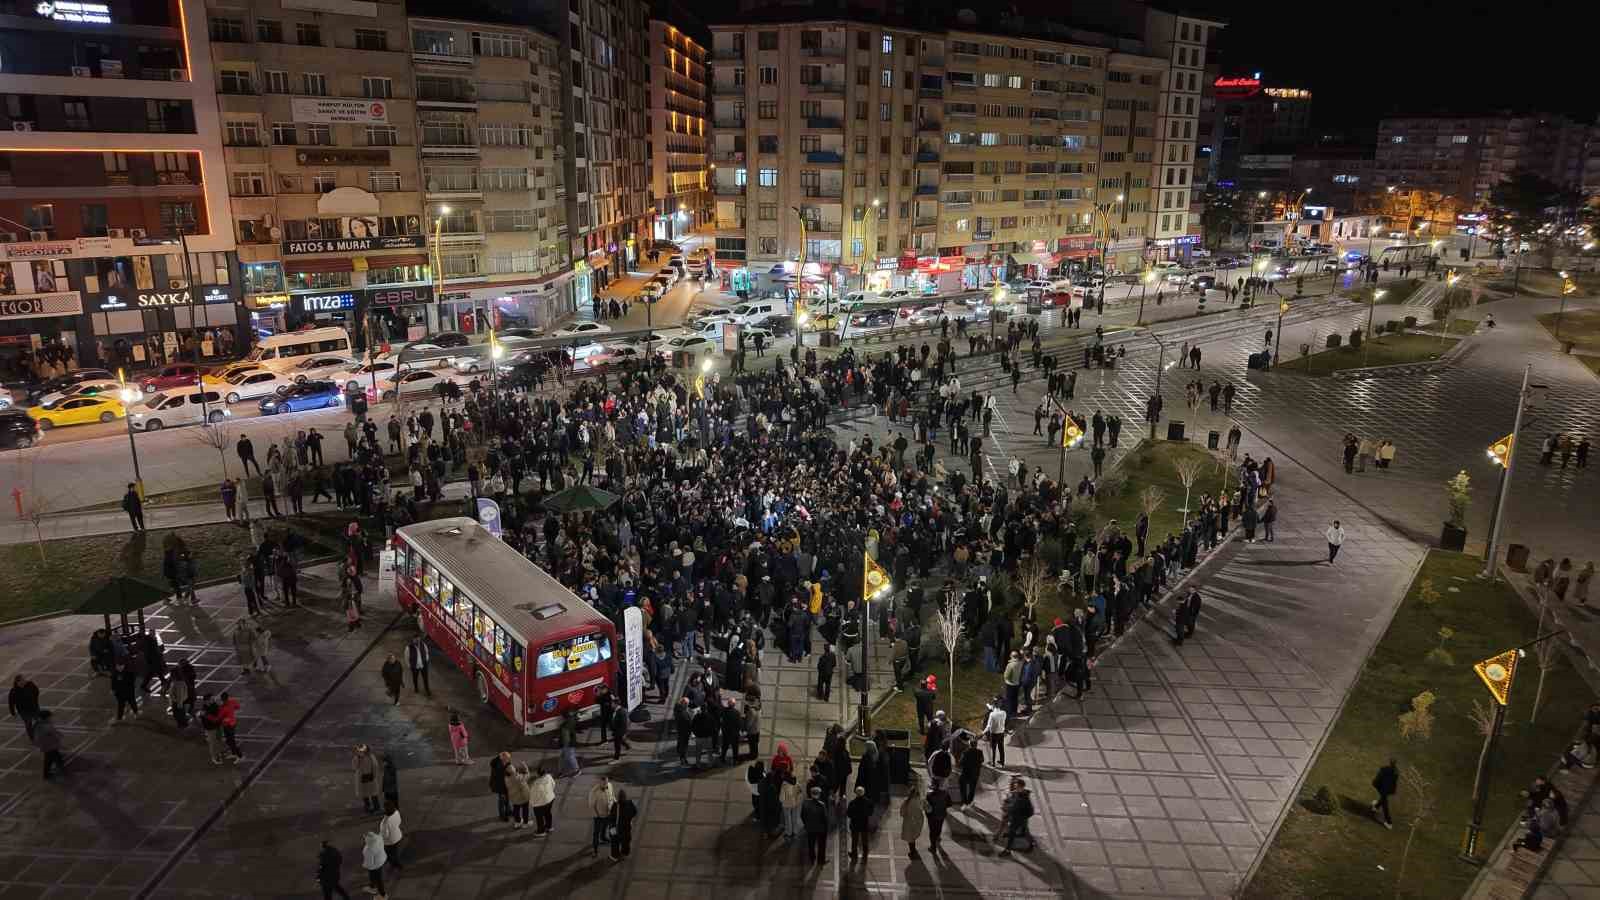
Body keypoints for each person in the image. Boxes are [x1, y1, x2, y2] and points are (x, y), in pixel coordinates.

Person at [997, 776, 1036, 856]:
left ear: (1022, 787)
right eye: (1015, 786)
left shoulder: (1024, 798)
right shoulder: (1017, 793)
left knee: (1013, 833)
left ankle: (1008, 850)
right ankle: (1031, 843)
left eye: (1017, 786)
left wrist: (1022, 816)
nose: (1015, 788)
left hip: (1019, 819)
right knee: (1024, 832)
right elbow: (1012, 803)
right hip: (1015, 817)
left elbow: (1030, 811)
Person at [588, 775, 616, 858]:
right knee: (596, 833)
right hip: (599, 816)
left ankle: (603, 837)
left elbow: (612, 796)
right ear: (599, 783)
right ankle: (595, 850)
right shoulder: (594, 792)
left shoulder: (610, 785)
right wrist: (597, 816)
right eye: (604, 783)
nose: (606, 785)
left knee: (605, 827)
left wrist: (615, 804)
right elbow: (591, 806)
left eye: (606, 782)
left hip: (609, 813)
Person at [34, 709, 65, 780]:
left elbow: (37, 738)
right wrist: (59, 738)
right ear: (46, 717)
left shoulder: (39, 725)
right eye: (50, 717)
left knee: (52, 757)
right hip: (49, 746)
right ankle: (48, 774)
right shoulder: (46, 727)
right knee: (50, 759)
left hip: (47, 746)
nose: (51, 718)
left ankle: (58, 767)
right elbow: (54, 734)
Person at [802, 787, 830, 864]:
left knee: (811, 844)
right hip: (821, 829)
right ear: (819, 794)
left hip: (810, 828)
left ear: (811, 794)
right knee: (821, 845)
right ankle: (821, 860)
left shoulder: (805, 803)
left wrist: (806, 823)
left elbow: (802, 815)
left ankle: (812, 859)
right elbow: (824, 818)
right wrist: (826, 827)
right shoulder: (822, 805)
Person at [900, 772, 925, 856]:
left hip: (909, 821)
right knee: (913, 836)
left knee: (910, 838)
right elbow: (928, 809)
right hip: (918, 820)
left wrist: (904, 815)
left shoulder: (906, 801)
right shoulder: (920, 800)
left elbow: (902, 812)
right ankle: (913, 851)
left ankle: (912, 851)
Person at [9, 674, 40, 740]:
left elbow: (36, 691)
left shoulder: (30, 684)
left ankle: (39, 733)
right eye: (23, 679)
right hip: (23, 711)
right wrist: (13, 713)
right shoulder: (14, 691)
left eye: (24, 679)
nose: (25, 680)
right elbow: (11, 703)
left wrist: (34, 700)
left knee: (39, 721)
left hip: (34, 708)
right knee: (28, 724)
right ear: (18, 682)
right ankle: (32, 737)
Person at [925, 777, 952, 854]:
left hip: (932, 817)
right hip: (941, 814)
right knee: (939, 827)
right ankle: (937, 837)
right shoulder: (945, 794)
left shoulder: (929, 795)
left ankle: (933, 847)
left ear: (932, 785)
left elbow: (926, 806)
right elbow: (949, 804)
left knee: (932, 831)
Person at [846, 785, 873, 862]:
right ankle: (865, 855)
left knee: (854, 840)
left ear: (856, 793)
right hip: (864, 824)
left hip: (855, 824)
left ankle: (854, 854)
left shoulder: (852, 803)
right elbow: (871, 812)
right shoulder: (868, 802)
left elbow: (848, 814)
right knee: (865, 840)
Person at [1371, 758, 1399, 829]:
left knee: (1384, 803)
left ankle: (1389, 822)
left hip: (1383, 788)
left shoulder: (1384, 769)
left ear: (1390, 763)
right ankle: (1376, 807)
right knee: (1383, 798)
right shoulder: (1396, 772)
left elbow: (1378, 778)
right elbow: (1394, 783)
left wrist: (1374, 783)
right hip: (1388, 790)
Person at [610, 788, 637, 860]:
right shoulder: (630, 803)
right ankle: (625, 853)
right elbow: (635, 812)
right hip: (627, 828)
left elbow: (612, 817)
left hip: (618, 829)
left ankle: (615, 855)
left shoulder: (615, 806)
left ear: (618, 797)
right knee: (626, 841)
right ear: (625, 796)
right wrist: (629, 818)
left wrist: (612, 827)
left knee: (615, 842)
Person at [353, 743, 381, 813]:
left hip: (369, 777)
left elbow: (375, 766)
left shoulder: (371, 757)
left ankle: (376, 807)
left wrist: (374, 775)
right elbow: (355, 767)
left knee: (372, 793)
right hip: (362, 778)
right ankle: (368, 807)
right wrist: (358, 758)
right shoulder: (358, 757)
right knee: (365, 793)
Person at [529, 765, 556, 836]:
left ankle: (541, 831)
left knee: (539, 817)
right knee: (548, 813)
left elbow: (533, 795)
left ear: (538, 774)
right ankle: (549, 826)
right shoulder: (549, 777)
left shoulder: (535, 784)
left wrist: (532, 804)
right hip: (550, 799)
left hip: (539, 804)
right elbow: (553, 784)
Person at [361, 830, 387, 899]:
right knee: (373, 876)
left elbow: (370, 863)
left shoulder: (368, 850)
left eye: (365, 838)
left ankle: (383, 895)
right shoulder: (379, 838)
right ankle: (372, 887)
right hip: (381, 859)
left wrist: (364, 865)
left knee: (379, 880)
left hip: (375, 865)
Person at [379, 799, 404, 870]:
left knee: (389, 853)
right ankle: (397, 863)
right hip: (397, 836)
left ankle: (394, 864)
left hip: (390, 841)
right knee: (395, 852)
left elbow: (385, 835)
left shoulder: (385, 822)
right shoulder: (396, 812)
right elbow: (399, 821)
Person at [506, 761, 532, 829]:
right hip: (523, 797)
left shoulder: (506, 779)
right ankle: (525, 823)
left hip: (514, 798)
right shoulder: (519, 778)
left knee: (516, 809)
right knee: (525, 810)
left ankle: (518, 822)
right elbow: (528, 775)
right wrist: (525, 766)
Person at [985, 699, 1009, 769]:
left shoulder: (992, 714)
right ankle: (1002, 762)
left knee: (993, 748)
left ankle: (993, 763)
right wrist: (990, 707)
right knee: (1001, 748)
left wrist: (983, 732)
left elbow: (988, 726)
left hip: (993, 734)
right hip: (1001, 733)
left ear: (994, 705)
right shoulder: (1004, 713)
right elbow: (995, 709)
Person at [958, 738, 984, 805]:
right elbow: (982, 760)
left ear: (970, 744)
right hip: (975, 774)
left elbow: (960, 763)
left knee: (962, 787)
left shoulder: (965, 752)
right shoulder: (980, 752)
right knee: (972, 788)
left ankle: (964, 801)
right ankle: (969, 801)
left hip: (965, 773)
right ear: (976, 745)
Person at [490, 751, 513, 822]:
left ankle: (508, 811)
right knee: (502, 801)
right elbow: (504, 775)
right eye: (507, 759)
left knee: (507, 799)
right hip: (500, 786)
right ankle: (502, 815)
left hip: (504, 785)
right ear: (503, 759)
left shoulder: (503, 763)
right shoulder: (498, 766)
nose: (508, 760)